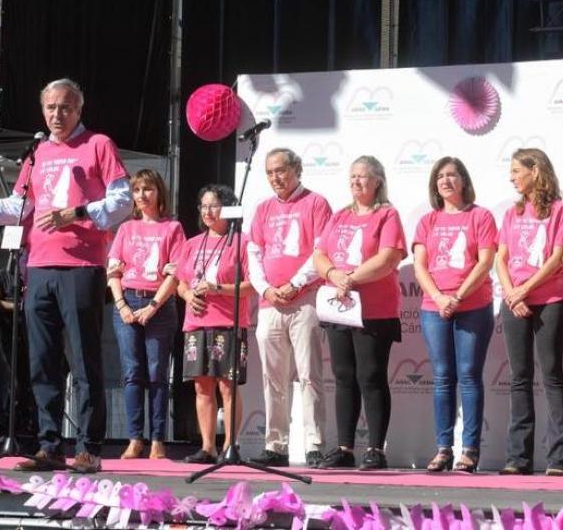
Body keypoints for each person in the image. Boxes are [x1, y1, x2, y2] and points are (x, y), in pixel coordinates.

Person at [0, 77, 131, 473]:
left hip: (81, 267)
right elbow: (18, 207)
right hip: (39, 266)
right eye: (50, 107)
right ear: (42, 110)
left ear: (79, 109)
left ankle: (89, 449)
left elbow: (122, 201)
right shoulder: (37, 152)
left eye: (65, 107)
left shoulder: (98, 145)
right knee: (42, 361)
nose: (57, 114)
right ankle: (49, 446)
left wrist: (77, 213)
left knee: (84, 359)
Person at [313, 156, 406, 470]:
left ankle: (376, 449)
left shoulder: (387, 214)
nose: (356, 181)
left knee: (371, 376)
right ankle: (344, 448)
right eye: (352, 176)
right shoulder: (340, 215)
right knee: (343, 376)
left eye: (362, 176)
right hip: (339, 307)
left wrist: (350, 279)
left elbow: (388, 258)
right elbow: (320, 254)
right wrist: (334, 275)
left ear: (377, 180)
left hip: (374, 310)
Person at [247, 148, 332, 469]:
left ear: (297, 169)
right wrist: (267, 289)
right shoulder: (263, 209)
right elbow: (253, 255)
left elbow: (321, 252)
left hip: (304, 299)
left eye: (281, 170)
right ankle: (276, 445)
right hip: (269, 303)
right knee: (272, 378)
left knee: (309, 374)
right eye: (270, 172)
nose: (275, 178)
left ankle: (314, 445)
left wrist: (295, 283)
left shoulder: (316, 203)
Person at [413, 157, 497, 473]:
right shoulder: (427, 221)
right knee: (442, 377)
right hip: (434, 308)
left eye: (452, 175)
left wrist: (458, 296)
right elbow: (420, 266)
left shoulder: (480, 216)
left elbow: (485, 262)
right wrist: (439, 297)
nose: (446, 181)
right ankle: (444, 448)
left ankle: (470, 450)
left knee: (469, 375)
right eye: (440, 176)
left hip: (472, 307)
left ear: (463, 180)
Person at [496, 147, 563, 476]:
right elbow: (500, 258)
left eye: (517, 170)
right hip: (514, 301)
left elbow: (557, 257)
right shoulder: (512, 212)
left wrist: (525, 289)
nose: (512, 177)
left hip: (549, 300)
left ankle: (560, 458)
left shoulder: (560, 210)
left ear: (535, 171)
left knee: (552, 374)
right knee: (520, 377)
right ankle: (518, 457)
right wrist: (512, 293)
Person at [107, 169, 185, 460]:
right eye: (137, 190)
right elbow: (113, 272)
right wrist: (122, 306)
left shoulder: (172, 228)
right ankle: (134, 439)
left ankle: (157, 440)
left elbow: (176, 274)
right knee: (132, 373)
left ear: (159, 192)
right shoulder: (126, 229)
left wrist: (152, 306)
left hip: (159, 306)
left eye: (147, 189)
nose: (142, 195)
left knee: (157, 373)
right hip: (127, 301)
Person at [173, 184, 254, 464]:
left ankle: (231, 446)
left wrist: (217, 288)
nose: (207, 212)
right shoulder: (192, 244)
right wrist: (187, 295)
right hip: (196, 324)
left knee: (227, 386)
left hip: (228, 323)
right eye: (203, 206)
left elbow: (251, 286)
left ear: (228, 209)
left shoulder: (242, 243)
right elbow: (181, 282)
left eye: (214, 206)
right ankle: (208, 447)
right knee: (201, 387)